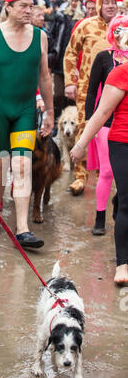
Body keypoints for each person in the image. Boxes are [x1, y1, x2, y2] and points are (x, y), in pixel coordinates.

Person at [0, 0, 54, 248]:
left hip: (25, 112)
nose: (29, 11)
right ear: (8, 7)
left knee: (22, 164)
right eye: (23, 6)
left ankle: (22, 229)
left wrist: (51, 114)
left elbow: (44, 77)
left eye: (31, 6)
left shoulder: (40, 36)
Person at [70, 60, 128, 285]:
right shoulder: (120, 73)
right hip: (123, 143)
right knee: (126, 200)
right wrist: (81, 144)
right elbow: (102, 112)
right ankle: (123, 263)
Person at [64, 0, 118, 195]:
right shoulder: (85, 25)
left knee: (112, 132)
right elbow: (70, 53)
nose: (111, 6)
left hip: (118, 91)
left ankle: (110, 174)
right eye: (107, 3)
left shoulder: (123, 26)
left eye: (114, 2)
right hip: (88, 89)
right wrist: (70, 82)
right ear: (100, 5)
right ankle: (80, 177)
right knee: (84, 129)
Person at [85, 15, 128, 236]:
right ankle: (100, 217)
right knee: (107, 171)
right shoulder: (103, 57)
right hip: (106, 123)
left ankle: (119, 203)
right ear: (113, 33)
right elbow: (92, 90)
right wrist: (87, 123)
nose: (123, 35)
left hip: (125, 123)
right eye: (118, 30)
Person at [50, 0, 85, 123]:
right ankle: (58, 120)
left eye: (77, 0)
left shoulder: (83, 19)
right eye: (72, 0)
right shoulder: (62, 16)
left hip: (75, 63)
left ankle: (71, 121)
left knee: (72, 96)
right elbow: (53, 36)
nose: (74, 3)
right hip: (59, 62)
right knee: (58, 94)